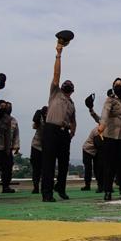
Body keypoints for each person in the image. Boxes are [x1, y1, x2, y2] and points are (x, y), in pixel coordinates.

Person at [42, 42, 76, 202]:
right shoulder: (55, 93)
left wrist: (72, 132)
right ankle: (47, 193)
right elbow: (56, 75)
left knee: (64, 163)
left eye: (70, 86)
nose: (67, 86)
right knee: (49, 162)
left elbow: (73, 120)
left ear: (72, 90)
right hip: (50, 130)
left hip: (64, 133)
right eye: (65, 85)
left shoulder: (72, 103)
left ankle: (61, 189)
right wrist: (59, 54)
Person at [98, 78, 121, 201]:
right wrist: (102, 125)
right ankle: (107, 191)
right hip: (111, 135)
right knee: (109, 165)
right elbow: (105, 113)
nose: (119, 87)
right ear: (113, 87)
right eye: (116, 85)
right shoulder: (110, 100)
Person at [81, 99, 103, 192]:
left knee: (98, 168)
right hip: (88, 149)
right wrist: (91, 109)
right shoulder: (98, 131)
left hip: (97, 149)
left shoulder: (109, 125)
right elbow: (99, 145)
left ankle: (101, 185)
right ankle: (87, 185)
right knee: (89, 168)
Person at [0, 101, 19, 194]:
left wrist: (16, 146)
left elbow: (16, 135)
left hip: (8, 147)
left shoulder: (13, 120)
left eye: (10, 107)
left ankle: (6, 186)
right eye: (7, 107)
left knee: (8, 168)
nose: (8, 108)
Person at [30, 107, 47, 194]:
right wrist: (38, 113)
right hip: (36, 145)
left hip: (46, 147)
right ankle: (36, 187)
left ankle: (44, 186)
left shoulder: (52, 120)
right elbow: (34, 125)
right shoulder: (39, 119)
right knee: (36, 168)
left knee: (45, 168)